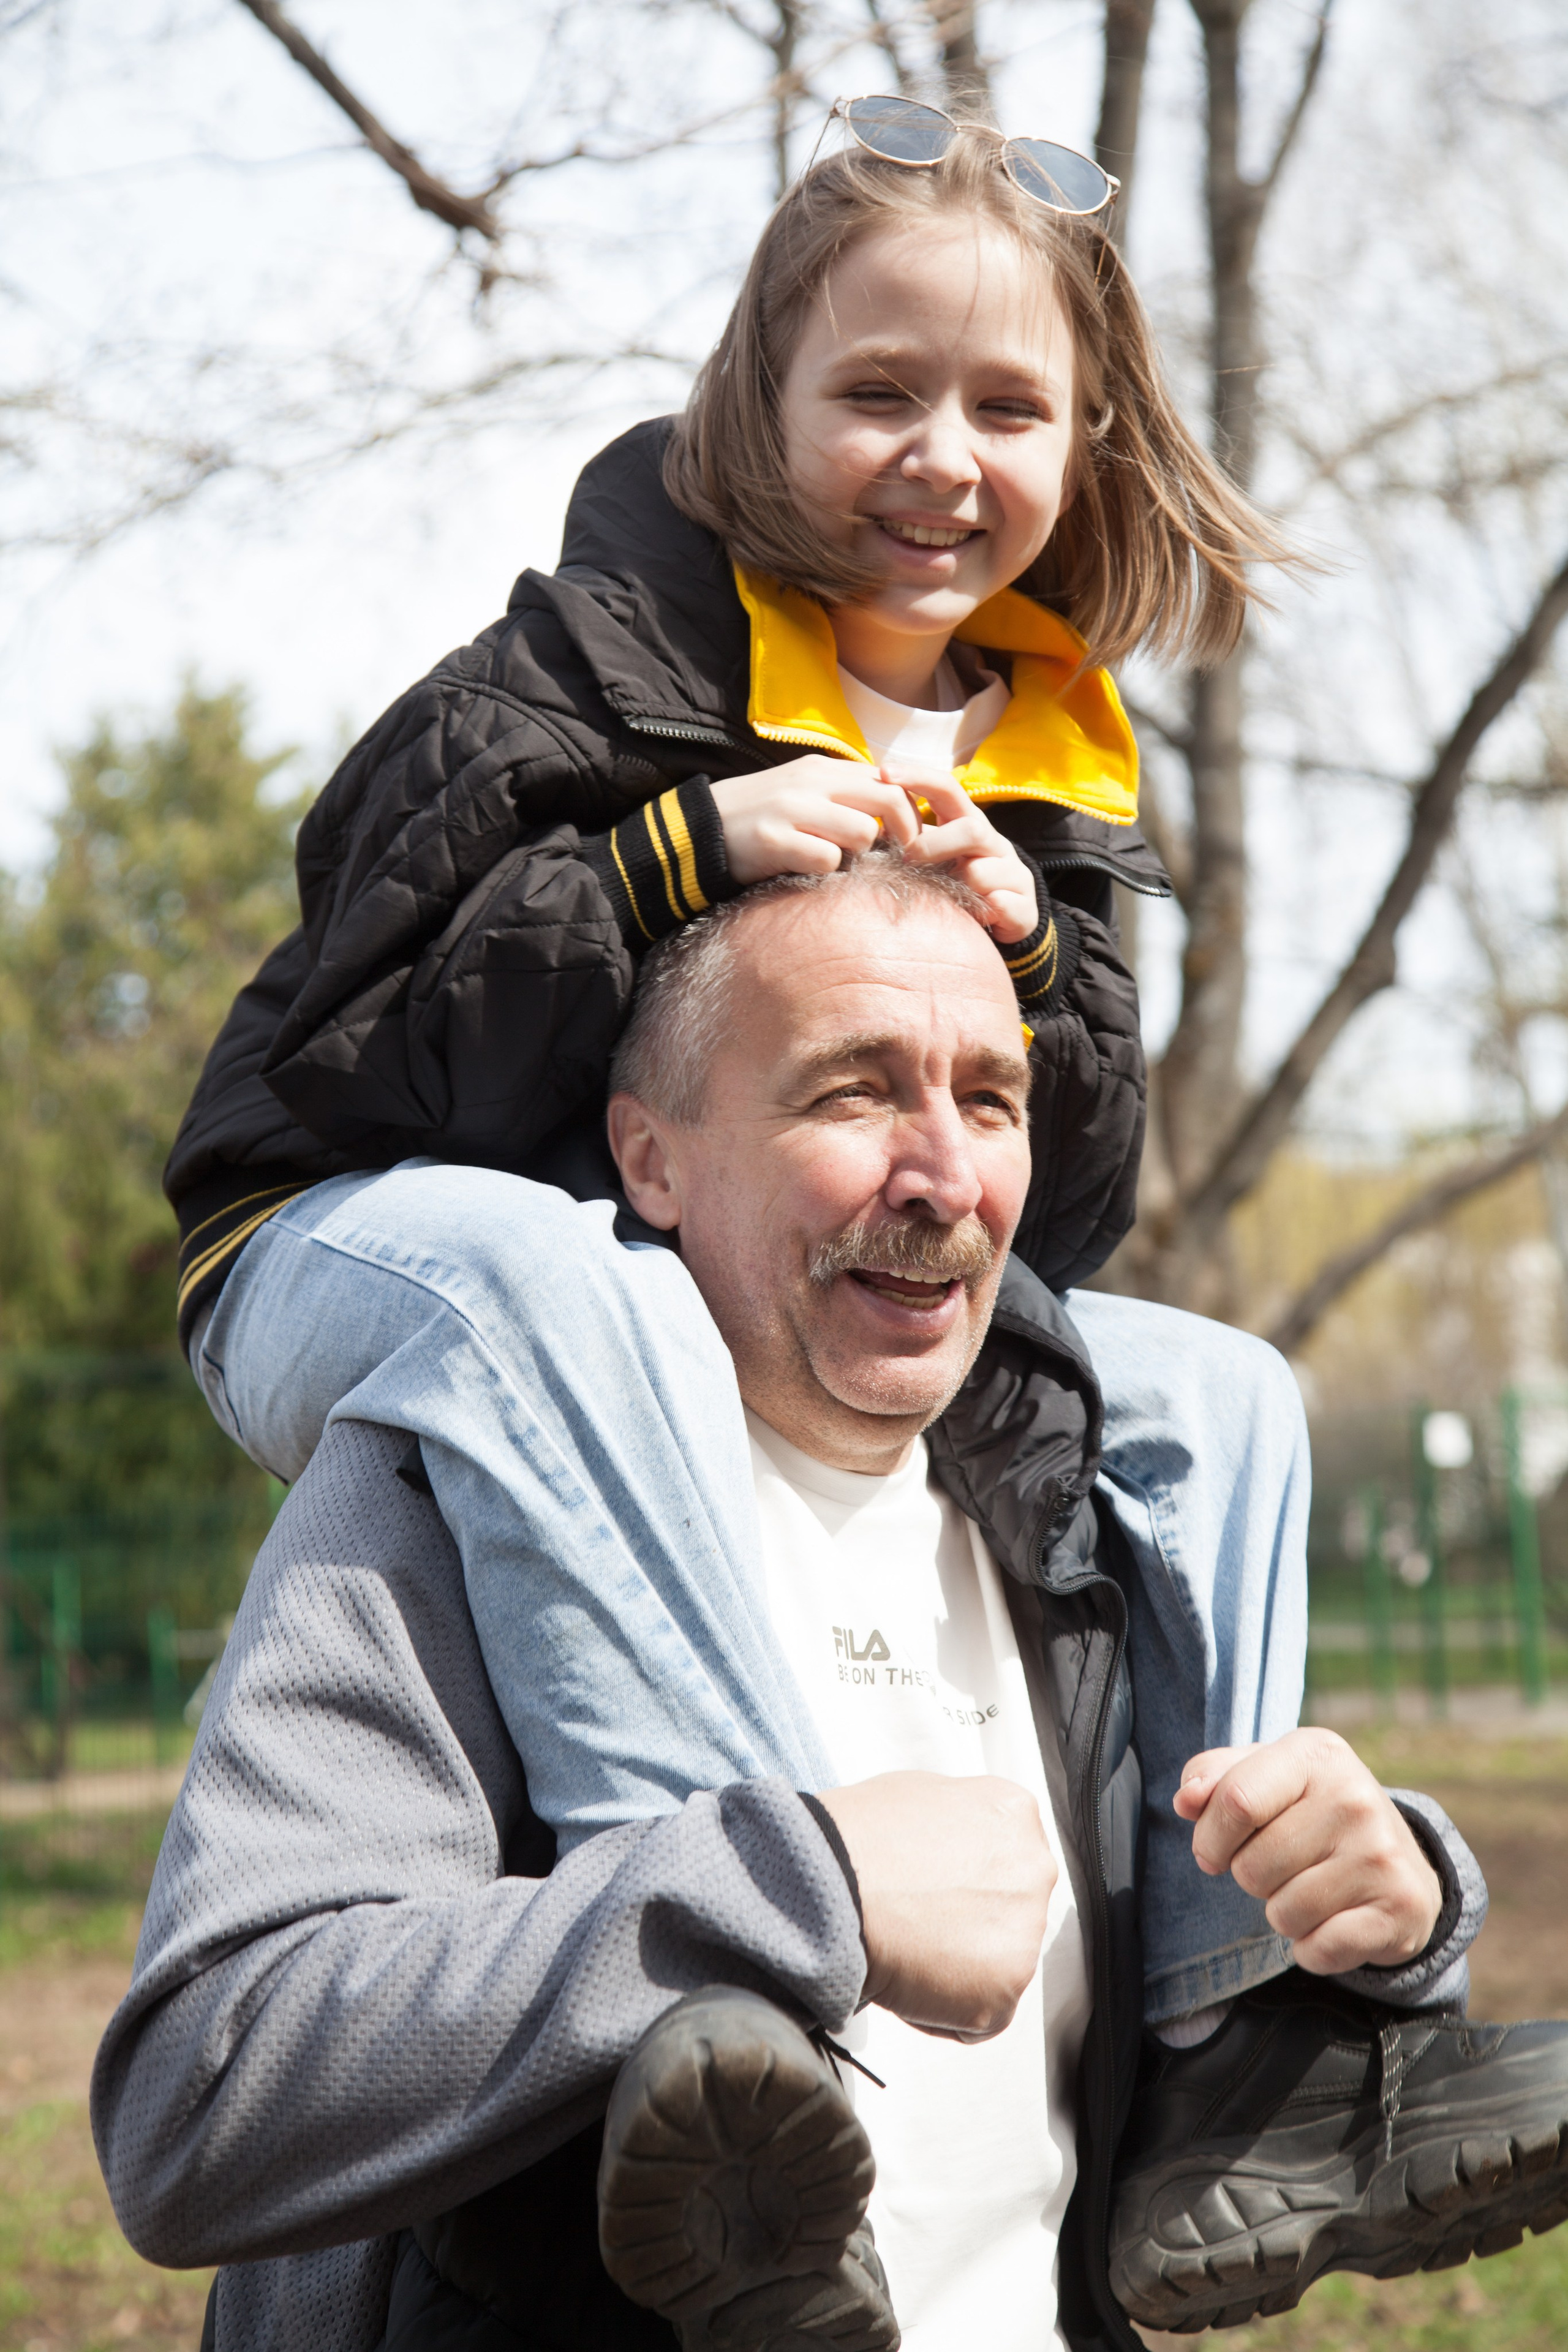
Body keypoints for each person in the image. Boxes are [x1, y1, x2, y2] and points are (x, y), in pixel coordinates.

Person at [96, 857, 1567, 2352]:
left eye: (989, 1100)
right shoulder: (441, 1490)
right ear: (650, 1160)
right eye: (850, 1094)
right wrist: (805, 1888)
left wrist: (1371, 1921)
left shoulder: (1097, 1526)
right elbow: (201, 2099)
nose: (943, 1175)